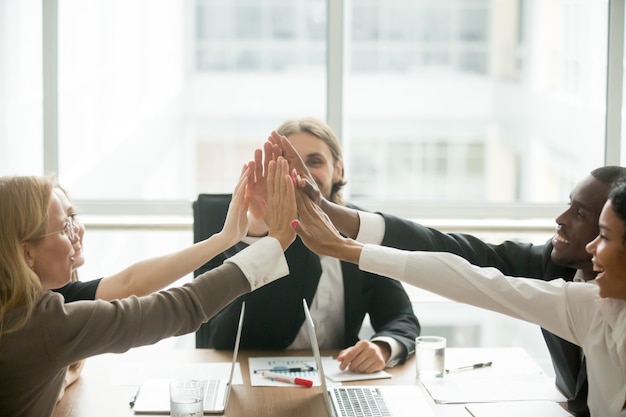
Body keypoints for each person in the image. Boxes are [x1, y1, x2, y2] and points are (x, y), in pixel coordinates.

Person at [269, 131, 626, 416]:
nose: (560, 221)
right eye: (568, 206)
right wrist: (343, 236)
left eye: (585, 218)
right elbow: (463, 269)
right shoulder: (583, 297)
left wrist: (345, 249)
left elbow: (466, 284)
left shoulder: (585, 302)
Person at [0, 157, 297, 417]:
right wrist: (274, 244)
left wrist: (224, 238)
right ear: (26, 253)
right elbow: (182, 307)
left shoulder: (22, 309)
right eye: (64, 227)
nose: (76, 231)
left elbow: (131, 283)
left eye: (73, 217)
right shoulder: (44, 323)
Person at [196, 117, 420, 374]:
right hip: (254, 381)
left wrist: (383, 347)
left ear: (338, 170)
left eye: (314, 162)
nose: (301, 172)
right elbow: (221, 337)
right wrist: (261, 235)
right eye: (289, 163)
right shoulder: (246, 233)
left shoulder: (361, 231)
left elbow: (401, 317)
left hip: (337, 378)